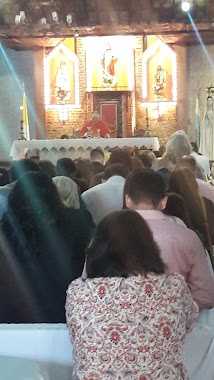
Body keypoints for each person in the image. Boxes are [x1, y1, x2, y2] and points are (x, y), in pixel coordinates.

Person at [66, 210, 198, 379]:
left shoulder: (77, 292)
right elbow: (190, 321)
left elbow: (76, 336)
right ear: (148, 247)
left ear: (97, 249)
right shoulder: (175, 286)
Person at [0, 172, 94, 322]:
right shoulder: (79, 220)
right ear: (54, 194)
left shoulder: (6, 226)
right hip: (65, 308)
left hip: (14, 313)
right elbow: (90, 264)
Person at [124, 169, 214, 309]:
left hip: (121, 325)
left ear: (128, 200)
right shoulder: (187, 236)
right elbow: (205, 297)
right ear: (164, 202)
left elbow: (89, 283)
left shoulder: (106, 234)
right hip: (176, 324)